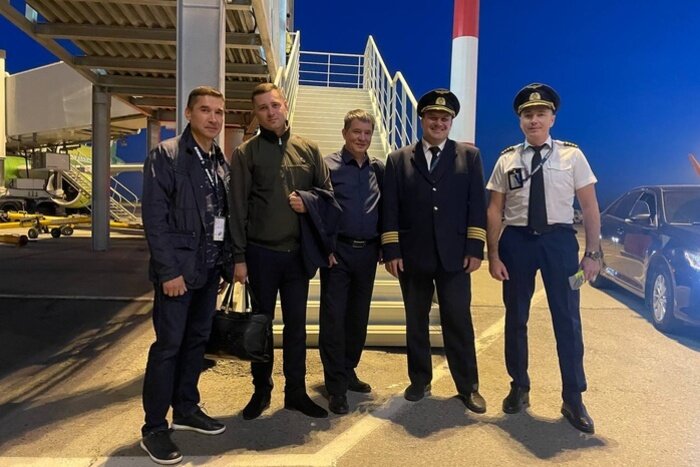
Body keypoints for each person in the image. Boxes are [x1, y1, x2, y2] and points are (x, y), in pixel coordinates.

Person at [485, 83, 601, 434]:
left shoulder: (572, 156)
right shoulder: (507, 159)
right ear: (520, 120)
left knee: (568, 319)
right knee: (515, 318)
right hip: (516, 243)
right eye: (527, 114)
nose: (534, 120)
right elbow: (495, 209)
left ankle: (573, 397)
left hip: (560, 244)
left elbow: (589, 206)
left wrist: (592, 253)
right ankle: (519, 387)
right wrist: (493, 254)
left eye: (540, 113)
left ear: (552, 118)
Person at [229, 82, 332, 420]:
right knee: (261, 326)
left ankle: (296, 392)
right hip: (260, 255)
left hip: (297, 256)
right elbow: (237, 208)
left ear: (284, 104)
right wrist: (239, 257)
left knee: (296, 328)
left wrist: (308, 201)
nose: (270, 112)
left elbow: (328, 196)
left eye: (274, 105)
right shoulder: (246, 153)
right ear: (255, 113)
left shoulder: (308, 149)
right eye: (263, 108)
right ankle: (261, 390)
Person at [381, 89, 487, 413]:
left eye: (444, 118)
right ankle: (419, 380)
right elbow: (390, 207)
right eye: (432, 117)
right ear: (422, 119)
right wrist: (391, 250)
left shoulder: (469, 157)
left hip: (455, 257)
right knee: (416, 321)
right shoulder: (398, 159)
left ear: (451, 122)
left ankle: (468, 387)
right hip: (413, 255)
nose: (438, 123)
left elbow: (476, 206)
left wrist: (475, 247)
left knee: (459, 321)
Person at [141, 86, 231, 464]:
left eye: (219, 112)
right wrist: (168, 272)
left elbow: (221, 218)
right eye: (205, 110)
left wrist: (224, 264)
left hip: (208, 272)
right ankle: (154, 428)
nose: (213, 118)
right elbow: (155, 219)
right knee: (168, 348)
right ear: (189, 114)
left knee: (196, 343)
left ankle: (186, 408)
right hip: (178, 273)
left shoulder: (219, 160)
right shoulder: (168, 155)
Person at [320, 109, 384, 415]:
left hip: (368, 253)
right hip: (338, 254)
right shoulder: (328, 166)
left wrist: (384, 245)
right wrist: (325, 248)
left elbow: (386, 209)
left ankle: (348, 369)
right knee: (334, 319)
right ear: (345, 133)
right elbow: (319, 210)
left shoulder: (378, 169)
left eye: (367, 133)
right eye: (356, 132)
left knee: (358, 317)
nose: (362, 138)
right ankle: (335, 387)